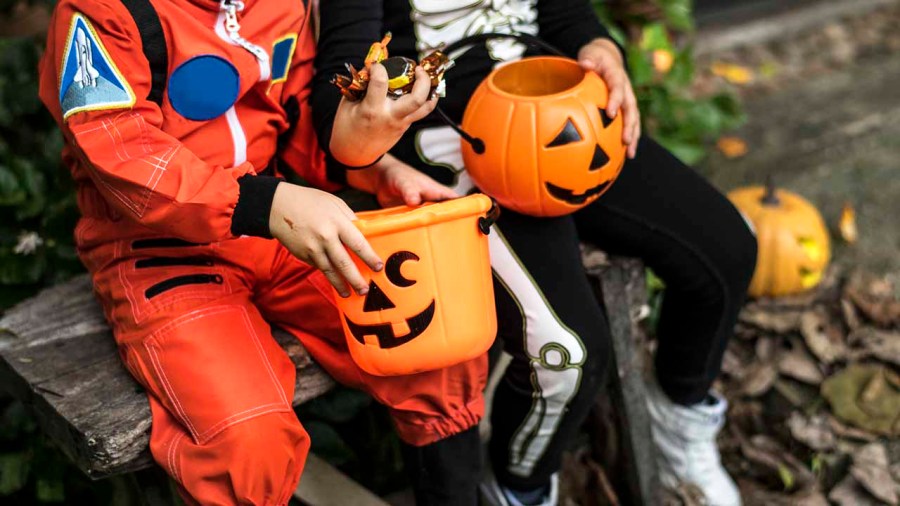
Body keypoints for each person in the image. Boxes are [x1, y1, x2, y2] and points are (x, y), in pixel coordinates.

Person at [38, 0, 488, 503]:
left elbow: (293, 119)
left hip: (279, 229)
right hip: (158, 252)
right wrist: (261, 203)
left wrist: (374, 169)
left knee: (432, 348)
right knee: (248, 443)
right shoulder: (102, 13)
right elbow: (121, 153)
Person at [311, 1, 757, 505]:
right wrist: (375, 164)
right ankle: (518, 489)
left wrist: (600, 49)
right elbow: (337, 93)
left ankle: (679, 421)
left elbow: (567, 16)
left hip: (565, 115)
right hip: (450, 143)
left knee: (726, 250)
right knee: (566, 353)